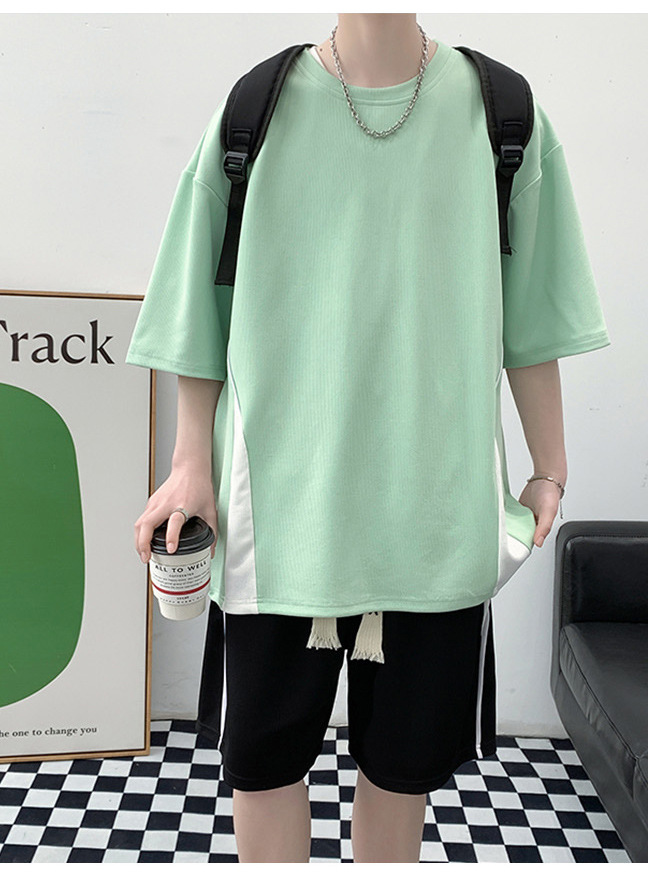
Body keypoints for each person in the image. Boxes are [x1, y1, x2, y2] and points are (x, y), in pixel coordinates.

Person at [127, 13, 610, 863]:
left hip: (434, 513)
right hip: (278, 517)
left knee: (401, 772)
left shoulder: (503, 114)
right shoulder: (255, 109)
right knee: (263, 767)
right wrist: (188, 463)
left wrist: (551, 467)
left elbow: (534, 310)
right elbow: (197, 304)